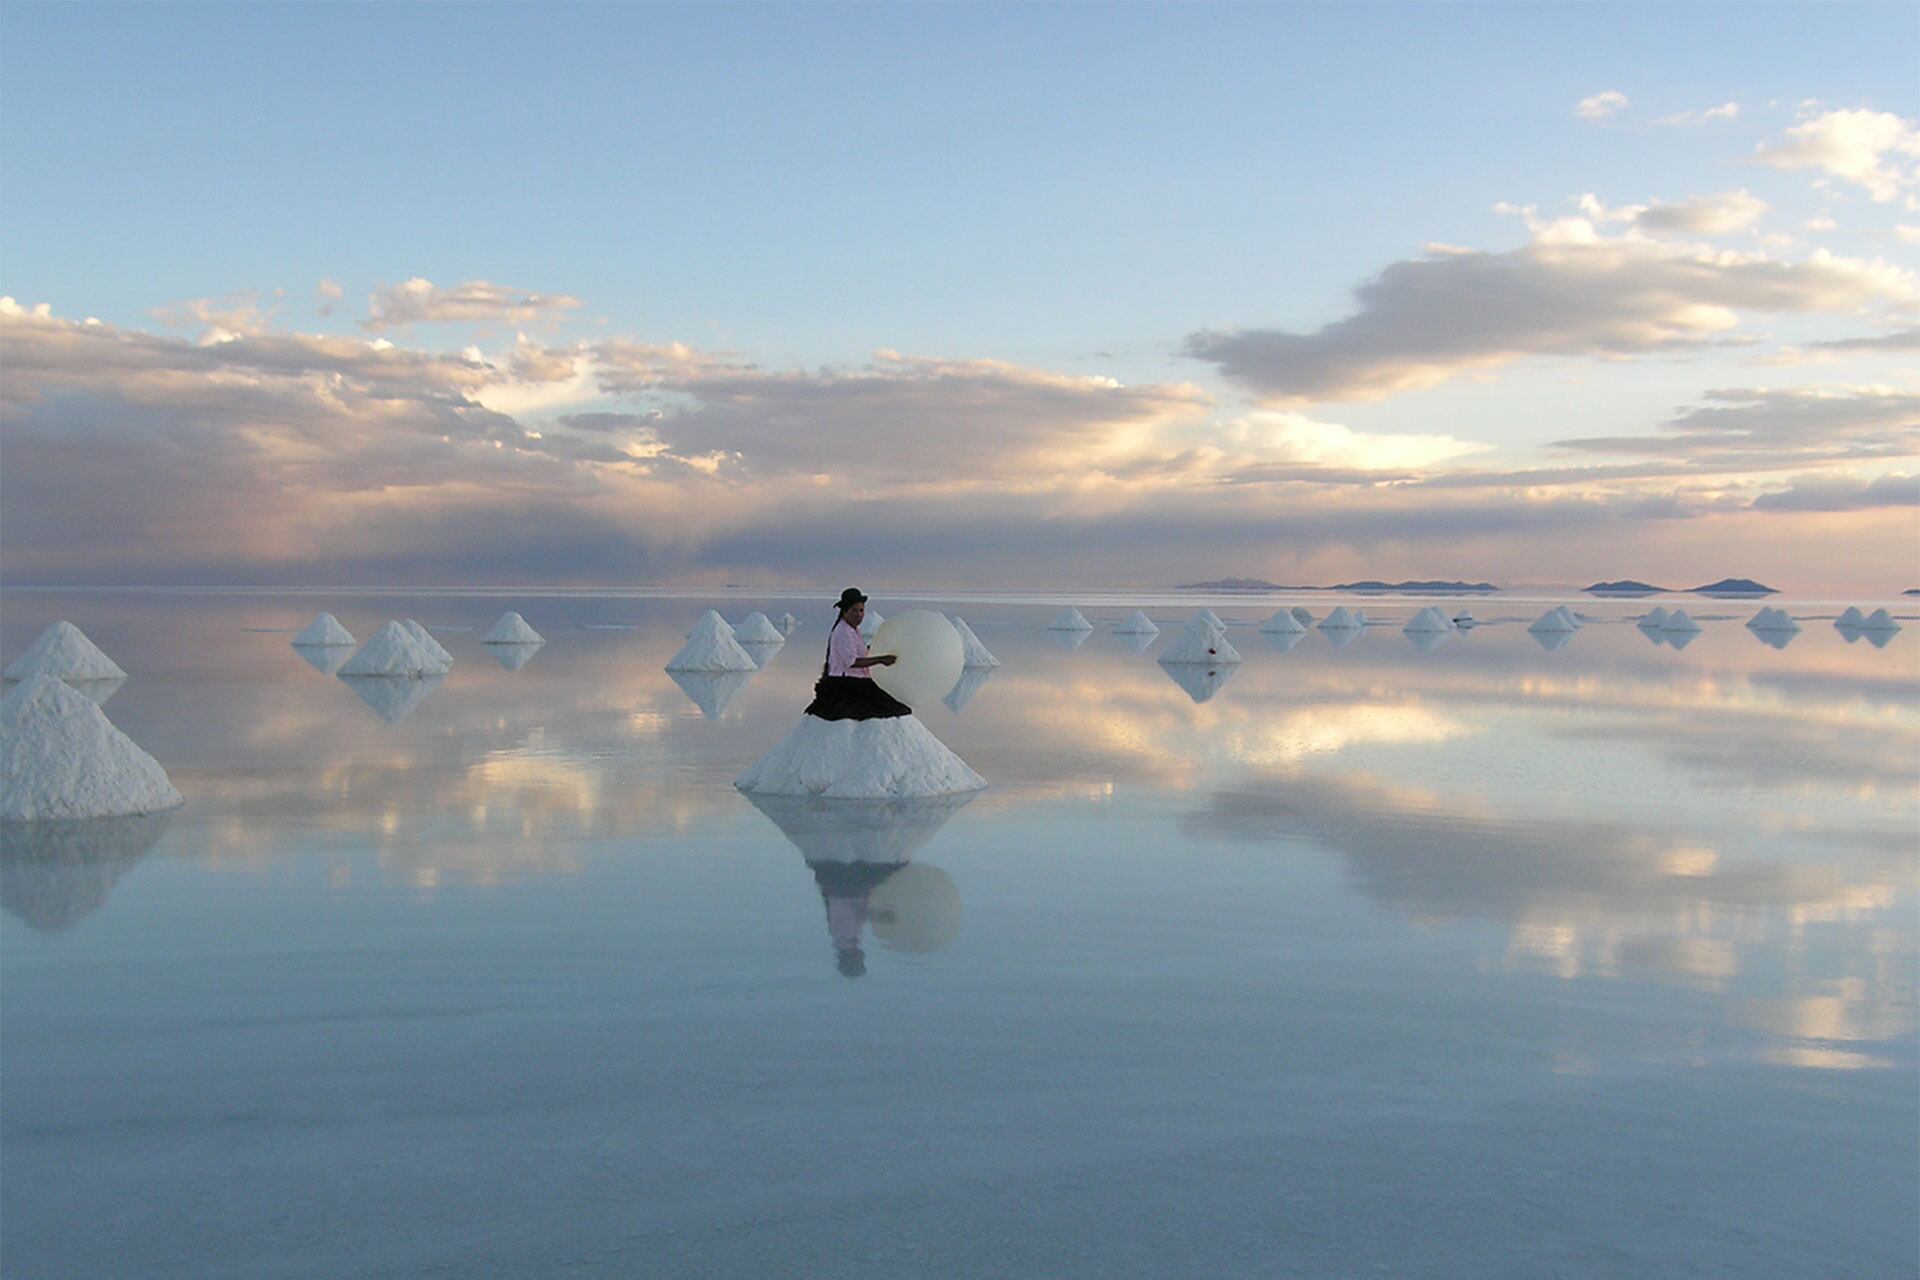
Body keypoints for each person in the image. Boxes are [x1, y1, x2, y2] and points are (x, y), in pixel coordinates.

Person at [803, 588, 911, 721]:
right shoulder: (843, 632)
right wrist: (881, 659)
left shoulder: (852, 630)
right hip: (847, 684)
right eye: (854, 610)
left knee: (897, 705)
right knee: (891, 708)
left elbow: (859, 652)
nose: (859, 614)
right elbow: (852, 662)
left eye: (861, 610)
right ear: (844, 612)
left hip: (858, 681)